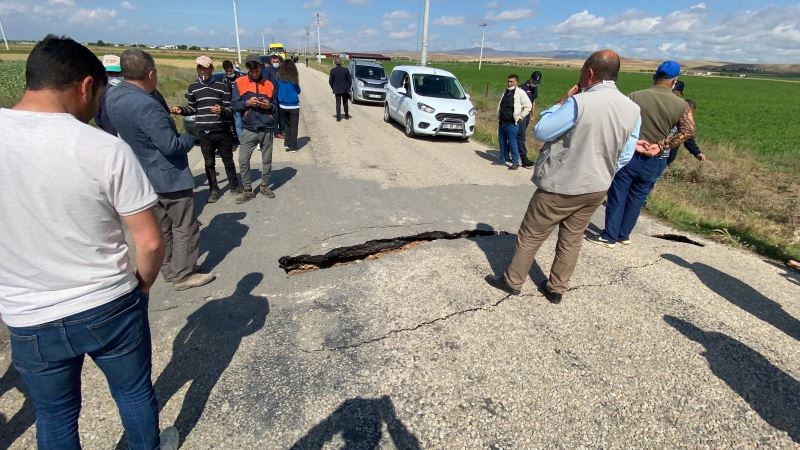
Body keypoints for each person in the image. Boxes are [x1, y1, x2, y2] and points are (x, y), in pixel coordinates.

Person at [0, 35, 178, 450]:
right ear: (84, 86)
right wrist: (142, 286)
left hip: (28, 314)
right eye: (98, 96)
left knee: (55, 415)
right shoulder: (104, 148)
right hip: (108, 302)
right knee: (133, 394)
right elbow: (149, 242)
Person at [485, 50, 641, 303]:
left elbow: (541, 131)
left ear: (589, 73)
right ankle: (557, 288)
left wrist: (562, 100)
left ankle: (513, 281)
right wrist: (605, 171)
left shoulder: (579, 102)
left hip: (561, 185)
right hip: (597, 186)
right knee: (572, 238)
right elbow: (626, 153)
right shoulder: (632, 109)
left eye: (581, 71)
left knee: (531, 234)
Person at [106, 49, 216, 290]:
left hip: (142, 174)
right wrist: (190, 136)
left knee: (163, 226)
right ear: (151, 74)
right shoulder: (147, 105)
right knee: (185, 226)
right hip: (169, 176)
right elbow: (171, 145)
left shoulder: (113, 96)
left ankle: (167, 268)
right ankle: (184, 274)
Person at [587, 60, 695, 248]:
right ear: (674, 81)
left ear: (655, 77)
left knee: (618, 194)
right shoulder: (681, 104)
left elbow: (620, 122)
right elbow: (687, 131)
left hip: (631, 153)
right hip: (656, 159)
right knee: (637, 197)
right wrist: (663, 145)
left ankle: (610, 235)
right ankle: (623, 234)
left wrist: (635, 142)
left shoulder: (636, 96)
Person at [170, 56, 241, 203]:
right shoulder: (193, 87)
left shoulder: (223, 86)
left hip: (222, 131)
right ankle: (214, 190)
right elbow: (192, 108)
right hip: (203, 132)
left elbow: (230, 108)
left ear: (212, 68)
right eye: (200, 68)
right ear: (197, 69)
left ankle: (234, 185)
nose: (203, 70)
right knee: (209, 163)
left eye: (206, 67)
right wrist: (181, 110)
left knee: (228, 161)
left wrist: (221, 110)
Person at [231, 54, 279, 202]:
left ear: (261, 67)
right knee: (243, 160)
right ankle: (247, 190)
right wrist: (247, 103)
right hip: (249, 129)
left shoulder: (270, 84)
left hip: (266, 128)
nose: (254, 72)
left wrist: (269, 106)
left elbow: (276, 107)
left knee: (267, 160)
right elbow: (234, 105)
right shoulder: (239, 82)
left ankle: (265, 186)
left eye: (257, 69)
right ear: (247, 68)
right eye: (251, 70)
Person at [495, 74, 531, 170]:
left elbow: (528, 105)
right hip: (502, 122)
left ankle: (515, 163)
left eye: (511, 81)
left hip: (512, 123)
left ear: (516, 82)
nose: (509, 83)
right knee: (502, 142)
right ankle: (502, 160)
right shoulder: (505, 92)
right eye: (508, 81)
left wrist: (521, 116)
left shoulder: (520, 92)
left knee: (512, 143)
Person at [668, 81, 706, 165]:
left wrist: (696, 152)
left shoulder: (654, 102)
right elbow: (687, 133)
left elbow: (687, 135)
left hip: (646, 150)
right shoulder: (681, 109)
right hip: (662, 154)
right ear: (678, 93)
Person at [516, 71, 542, 168]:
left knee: (518, 135)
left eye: (537, 83)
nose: (535, 84)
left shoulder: (535, 89)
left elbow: (533, 102)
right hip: (521, 115)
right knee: (521, 137)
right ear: (530, 79)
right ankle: (524, 159)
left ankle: (508, 152)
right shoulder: (522, 88)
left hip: (527, 116)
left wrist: (532, 115)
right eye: (534, 81)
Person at [276, 59, 301, 152]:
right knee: (294, 126)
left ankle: (286, 144)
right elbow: (298, 90)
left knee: (286, 125)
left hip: (282, 105)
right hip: (293, 106)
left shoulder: (279, 78)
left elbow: (277, 89)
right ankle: (293, 146)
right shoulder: (294, 79)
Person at [264, 54, 285, 139]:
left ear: (279, 62)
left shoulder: (282, 70)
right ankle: (276, 132)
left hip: (282, 95)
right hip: (273, 96)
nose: (275, 63)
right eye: (274, 62)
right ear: (271, 61)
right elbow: (266, 84)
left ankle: (282, 130)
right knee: (275, 115)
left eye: (277, 62)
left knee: (282, 114)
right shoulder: (267, 70)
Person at [222, 59, 244, 141]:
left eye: (230, 71)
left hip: (241, 102)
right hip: (231, 104)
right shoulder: (224, 79)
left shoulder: (240, 76)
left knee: (242, 122)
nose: (229, 73)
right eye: (227, 72)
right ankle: (241, 140)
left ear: (233, 68)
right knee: (237, 123)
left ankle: (245, 140)